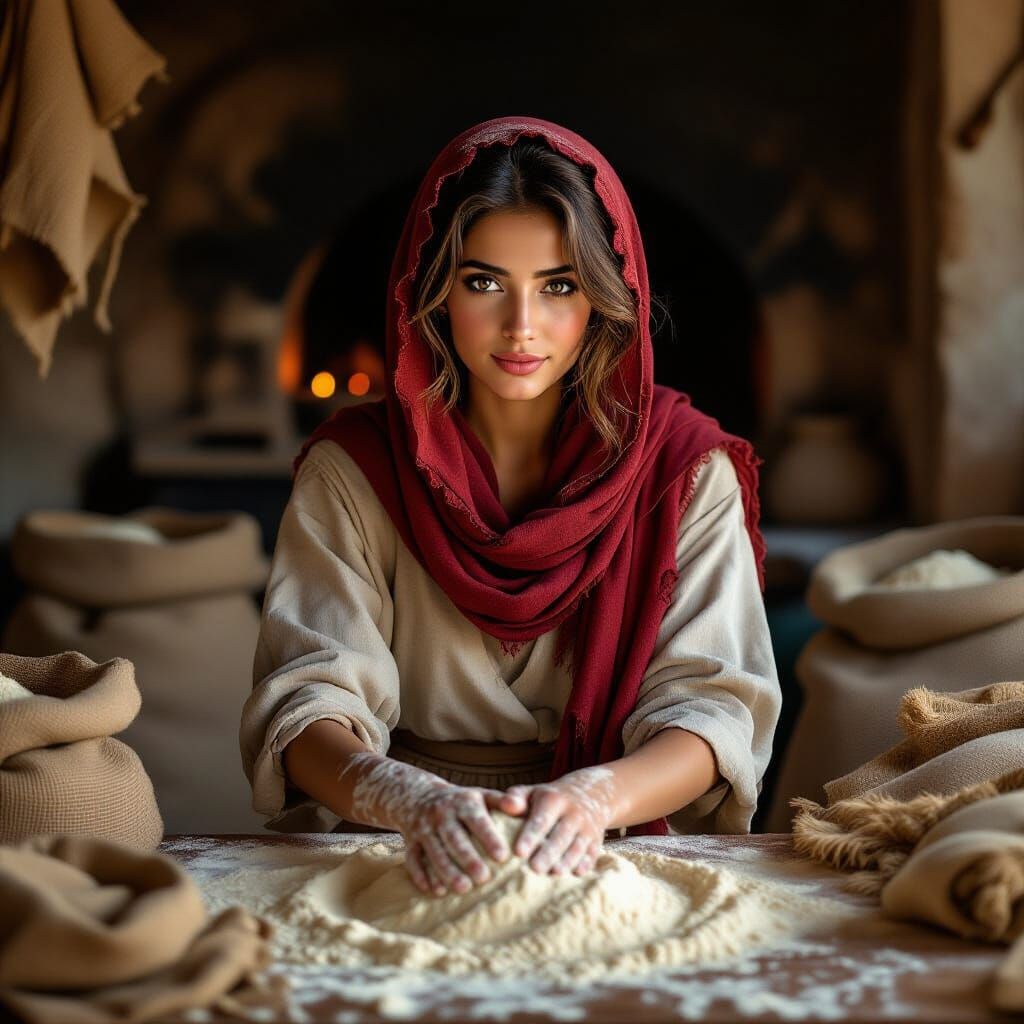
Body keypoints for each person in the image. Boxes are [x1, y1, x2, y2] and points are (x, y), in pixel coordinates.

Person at [240, 116, 781, 899]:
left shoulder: (683, 469)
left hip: (613, 844)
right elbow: (304, 704)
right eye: (483, 282)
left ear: (603, 300)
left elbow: (714, 712)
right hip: (398, 845)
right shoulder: (353, 470)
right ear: (431, 293)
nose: (521, 327)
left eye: (558, 286)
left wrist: (592, 800)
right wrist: (408, 798)